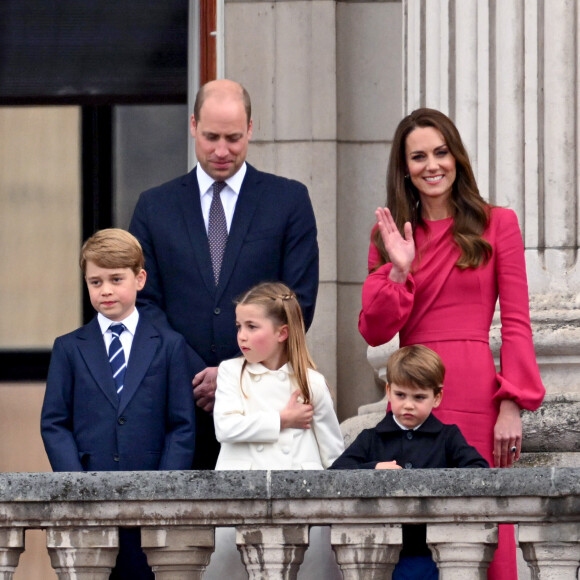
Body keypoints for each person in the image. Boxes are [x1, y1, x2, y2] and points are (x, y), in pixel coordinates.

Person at [358, 108, 545, 579]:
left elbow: (518, 323)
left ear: (456, 158)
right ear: (405, 168)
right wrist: (399, 269)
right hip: (412, 394)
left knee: (486, 519)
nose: (431, 165)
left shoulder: (497, 223)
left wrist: (512, 404)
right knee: (413, 526)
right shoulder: (388, 235)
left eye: (440, 152)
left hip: (477, 393)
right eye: (418, 156)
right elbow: (375, 330)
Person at [129, 79, 319, 469]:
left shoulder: (288, 200)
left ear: (251, 129)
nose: (221, 150)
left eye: (233, 138)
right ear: (193, 125)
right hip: (177, 403)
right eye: (211, 136)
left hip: (263, 402)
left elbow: (298, 300)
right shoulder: (154, 206)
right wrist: (197, 373)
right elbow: (142, 301)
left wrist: (233, 373)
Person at [41, 228, 195, 580]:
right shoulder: (68, 347)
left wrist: (166, 489)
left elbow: (181, 424)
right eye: (95, 282)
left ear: (139, 279)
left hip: (152, 497)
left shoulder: (169, 345)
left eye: (115, 279)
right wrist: (76, 484)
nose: (105, 290)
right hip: (89, 494)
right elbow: (54, 422)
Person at [205, 281, 344, 579]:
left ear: (282, 333)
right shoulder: (231, 372)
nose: (242, 335)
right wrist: (282, 419)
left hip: (302, 506)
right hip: (240, 498)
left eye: (252, 326)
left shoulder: (311, 382)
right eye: (239, 326)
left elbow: (333, 454)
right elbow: (225, 427)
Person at [331, 345, 489, 579]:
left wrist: (440, 482)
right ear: (388, 390)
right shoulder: (371, 438)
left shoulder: (448, 437)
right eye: (400, 395)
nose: (408, 404)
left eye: (419, 397)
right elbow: (334, 475)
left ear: (437, 397)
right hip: (382, 552)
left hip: (435, 553)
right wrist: (373, 468)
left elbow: (479, 470)